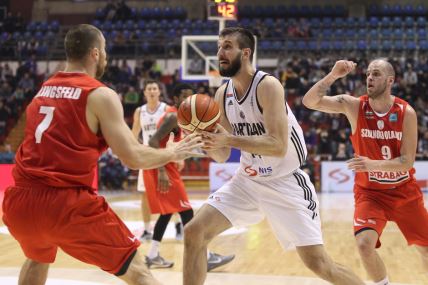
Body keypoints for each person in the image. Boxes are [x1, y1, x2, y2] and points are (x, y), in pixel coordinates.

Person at [2, 24, 203, 285]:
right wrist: (170, 152)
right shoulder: (99, 94)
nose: (106, 56)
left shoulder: (41, 93)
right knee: (138, 271)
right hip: (65, 204)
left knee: (38, 257)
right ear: (95, 53)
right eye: (105, 50)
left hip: (20, 203)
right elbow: (132, 158)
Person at [183, 27, 365, 285]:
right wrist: (204, 136)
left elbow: (277, 145)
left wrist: (230, 139)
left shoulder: (268, 85)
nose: (219, 52)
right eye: (219, 46)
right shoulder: (222, 94)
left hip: (285, 182)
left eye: (227, 46)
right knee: (194, 232)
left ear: (245, 53)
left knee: (320, 264)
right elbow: (222, 154)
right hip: (247, 181)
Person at [303, 58, 428, 285]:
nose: (370, 77)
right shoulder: (354, 106)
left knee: (426, 250)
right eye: (368, 73)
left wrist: (373, 164)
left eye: (376, 74)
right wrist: (333, 76)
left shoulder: (406, 112)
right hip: (370, 193)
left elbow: (407, 162)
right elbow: (310, 101)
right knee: (364, 245)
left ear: (390, 80)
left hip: (404, 192)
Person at [140, 82, 235, 270]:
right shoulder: (173, 116)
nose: (189, 100)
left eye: (191, 96)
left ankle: (153, 255)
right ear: (175, 99)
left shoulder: (184, 118)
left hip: (165, 164)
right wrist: (161, 170)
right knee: (186, 211)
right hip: (161, 167)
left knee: (167, 213)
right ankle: (205, 257)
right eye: (184, 96)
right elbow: (152, 141)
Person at [131, 80, 184, 242]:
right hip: (147, 157)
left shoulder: (167, 110)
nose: (152, 91)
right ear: (145, 92)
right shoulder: (139, 111)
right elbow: (134, 134)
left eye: (155, 88)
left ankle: (178, 227)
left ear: (159, 92)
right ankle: (147, 230)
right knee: (145, 195)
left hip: (165, 156)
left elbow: (177, 133)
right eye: (149, 89)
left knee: (172, 193)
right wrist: (133, 151)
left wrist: (179, 155)